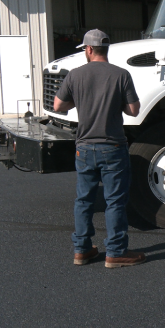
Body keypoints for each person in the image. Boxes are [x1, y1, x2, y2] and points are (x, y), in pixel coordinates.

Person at [53, 29, 146, 267]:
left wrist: (82, 100)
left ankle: (82, 250)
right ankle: (115, 252)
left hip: (84, 146)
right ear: (105, 49)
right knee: (115, 201)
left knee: (84, 200)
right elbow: (134, 110)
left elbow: (58, 105)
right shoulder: (121, 74)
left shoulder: (75, 74)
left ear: (89, 49)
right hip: (113, 146)